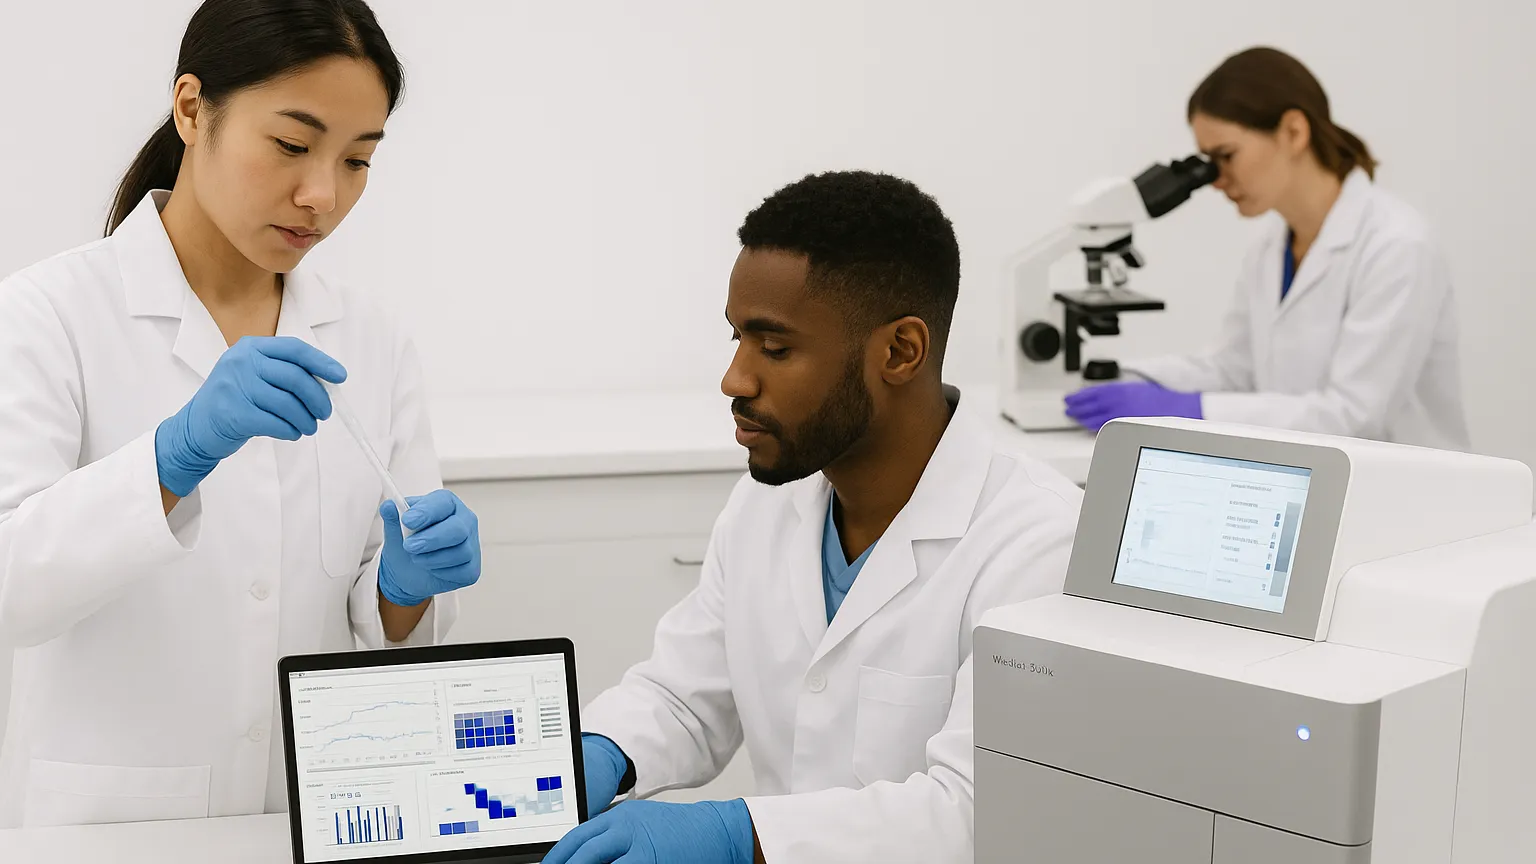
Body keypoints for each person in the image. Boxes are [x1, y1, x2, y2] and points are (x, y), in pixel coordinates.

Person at [0, 0, 481, 828]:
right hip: (111, 828)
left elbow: (385, 624)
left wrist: (405, 588)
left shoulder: (372, 341)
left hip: (314, 813)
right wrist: (172, 458)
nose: (321, 194)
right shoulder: (49, 315)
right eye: (292, 145)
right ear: (192, 109)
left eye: (358, 161)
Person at [544, 171, 1082, 864]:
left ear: (899, 352)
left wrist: (738, 835)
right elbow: (685, 695)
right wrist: (601, 754)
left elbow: (977, 809)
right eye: (736, 338)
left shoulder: (1037, 546)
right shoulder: (769, 501)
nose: (735, 379)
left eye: (774, 348)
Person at [1064, 46, 1469, 451]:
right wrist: (1128, 378)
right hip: (1311, 486)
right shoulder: (1271, 247)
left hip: (1407, 496)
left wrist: (1192, 409)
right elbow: (1234, 370)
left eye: (1225, 156)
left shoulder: (1397, 246)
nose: (1215, 180)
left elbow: (1353, 417)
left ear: (1293, 132)